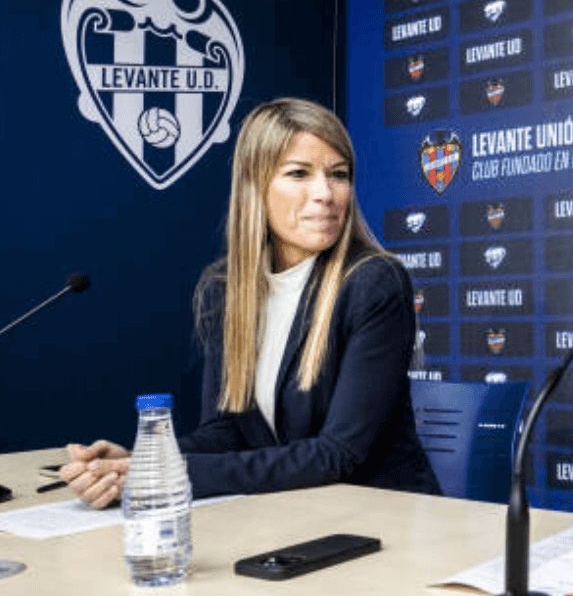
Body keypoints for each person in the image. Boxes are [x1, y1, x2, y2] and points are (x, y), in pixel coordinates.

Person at [61, 98, 438, 505]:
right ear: (254, 186)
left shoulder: (373, 282)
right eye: (298, 174)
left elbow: (339, 454)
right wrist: (143, 461)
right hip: (296, 516)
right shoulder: (226, 289)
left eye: (339, 175)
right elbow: (225, 433)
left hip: (380, 516)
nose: (325, 194)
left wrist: (166, 472)